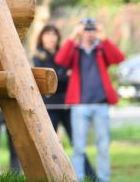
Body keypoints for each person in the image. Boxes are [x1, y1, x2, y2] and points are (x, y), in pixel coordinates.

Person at [55, 17, 125, 182]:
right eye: (86, 29)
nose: (89, 33)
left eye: (92, 29)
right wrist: (73, 36)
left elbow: (118, 58)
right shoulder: (75, 50)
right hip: (80, 106)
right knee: (78, 147)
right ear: (81, 31)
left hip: (101, 105)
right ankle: (77, 179)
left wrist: (104, 37)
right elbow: (60, 60)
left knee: (103, 146)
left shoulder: (101, 50)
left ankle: (103, 179)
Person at [33, 23, 95, 179]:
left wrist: (63, 76)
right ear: (42, 37)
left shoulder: (64, 52)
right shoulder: (38, 56)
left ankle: (90, 177)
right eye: (47, 34)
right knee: (50, 145)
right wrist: (64, 75)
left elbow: (72, 76)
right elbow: (48, 80)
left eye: (54, 34)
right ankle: (50, 175)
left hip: (67, 106)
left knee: (77, 143)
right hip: (49, 107)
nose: (51, 37)